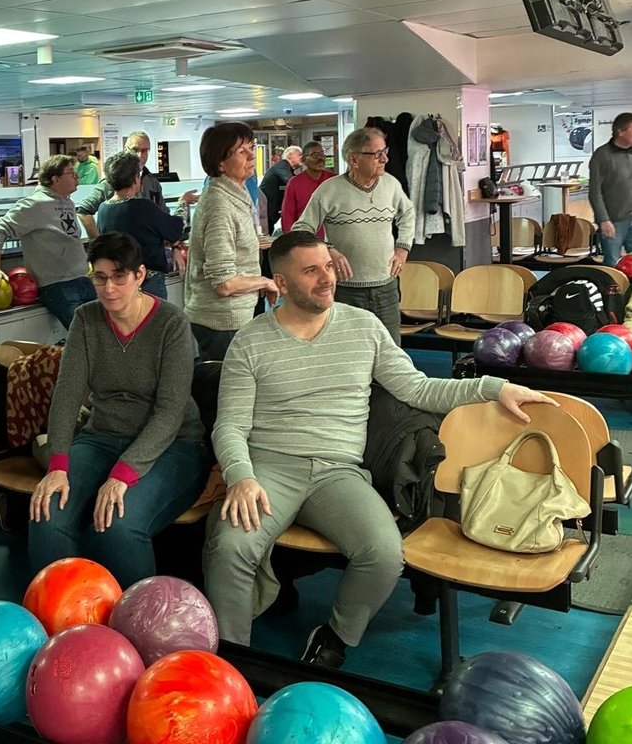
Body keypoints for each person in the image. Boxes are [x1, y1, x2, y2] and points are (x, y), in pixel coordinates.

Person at [203, 231, 553, 668]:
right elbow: (230, 424)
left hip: (338, 472)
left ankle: (335, 634)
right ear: (282, 282)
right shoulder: (251, 341)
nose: (326, 278)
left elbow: (417, 388)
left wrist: (493, 386)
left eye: (328, 266)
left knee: (385, 554)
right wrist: (241, 476)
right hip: (270, 468)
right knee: (230, 546)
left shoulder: (363, 327)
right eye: (310, 271)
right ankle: (228, 664)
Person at [28, 232, 210, 587]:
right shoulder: (86, 319)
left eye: (119, 277)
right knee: (47, 511)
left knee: (117, 522)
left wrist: (123, 473)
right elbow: (66, 395)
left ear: (140, 275)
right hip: (101, 437)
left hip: (174, 445)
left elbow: (170, 412)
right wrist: (58, 465)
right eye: (100, 277)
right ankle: (63, 619)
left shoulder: (171, 323)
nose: (109, 288)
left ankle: (132, 628)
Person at [292, 127, 414, 345]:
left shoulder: (391, 185)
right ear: (354, 160)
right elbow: (301, 229)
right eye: (377, 154)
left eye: (384, 151)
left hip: (386, 287)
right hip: (346, 290)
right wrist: (328, 250)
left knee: (391, 350)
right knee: (349, 350)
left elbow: (408, 213)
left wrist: (403, 248)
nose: (385, 158)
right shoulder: (329, 190)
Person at [184, 123, 278, 361]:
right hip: (221, 322)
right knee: (228, 393)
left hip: (234, 316)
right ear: (220, 164)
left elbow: (237, 241)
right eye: (241, 151)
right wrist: (265, 282)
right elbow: (223, 283)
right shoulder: (220, 205)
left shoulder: (237, 193)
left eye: (251, 148)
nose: (250, 156)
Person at [0, 155, 96, 333]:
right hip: (57, 285)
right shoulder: (35, 204)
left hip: (82, 280)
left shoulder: (67, 202)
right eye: (71, 172)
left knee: (104, 334)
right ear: (55, 179)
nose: (77, 176)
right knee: (88, 337)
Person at [95, 152, 184, 300]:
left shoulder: (104, 209)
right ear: (136, 179)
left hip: (120, 280)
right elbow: (174, 230)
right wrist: (182, 203)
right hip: (148, 281)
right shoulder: (143, 207)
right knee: (153, 321)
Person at [77, 130, 198, 238]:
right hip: (122, 255)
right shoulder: (111, 182)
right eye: (135, 150)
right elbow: (84, 210)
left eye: (145, 151)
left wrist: (174, 246)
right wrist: (99, 242)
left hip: (150, 255)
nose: (140, 155)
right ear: (126, 150)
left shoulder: (152, 183)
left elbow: (165, 218)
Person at [588, 112, 632, 268]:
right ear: (620, 131)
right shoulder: (602, 155)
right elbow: (594, 192)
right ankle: (613, 292)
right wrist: (604, 220)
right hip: (614, 221)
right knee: (613, 263)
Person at [281, 141, 335, 232]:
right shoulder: (295, 183)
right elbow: (288, 216)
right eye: (315, 155)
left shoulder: (333, 180)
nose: (320, 158)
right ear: (304, 160)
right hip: (306, 238)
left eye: (322, 153)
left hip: (333, 238)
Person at [259, 146, 303, 234]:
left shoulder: (287, 168)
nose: (302, 157)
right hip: (267, 211)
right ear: (289, 156)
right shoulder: (282, 166)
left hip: (271, 211)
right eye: (299, 154)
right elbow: (292, 183)